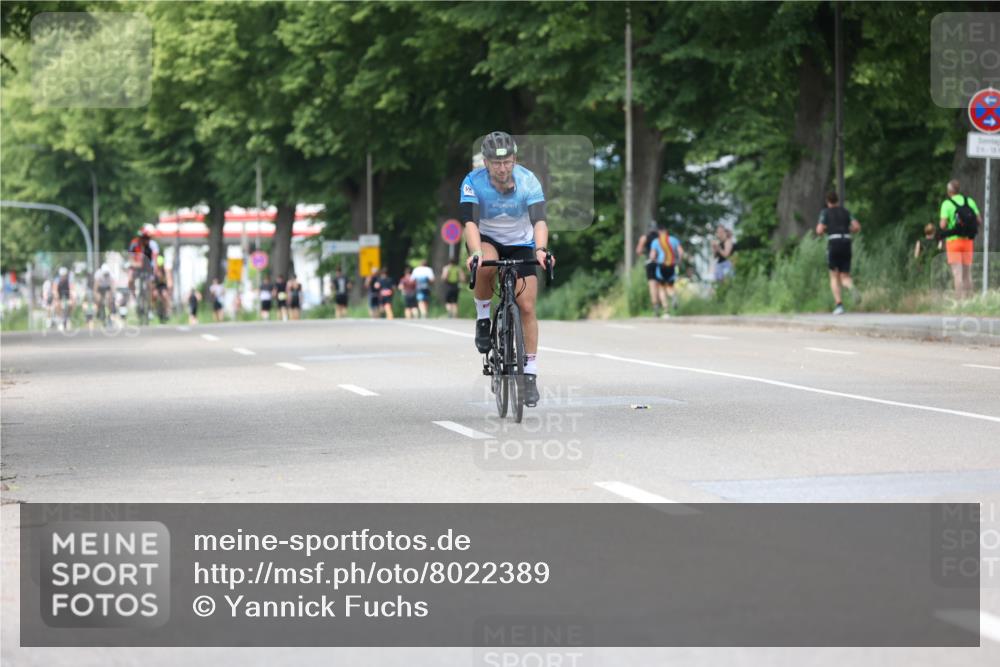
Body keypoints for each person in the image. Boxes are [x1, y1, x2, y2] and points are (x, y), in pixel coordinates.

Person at [462, 130, 554, 408]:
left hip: (521, 242)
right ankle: (482, 317)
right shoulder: (472, 182)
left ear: (514, 159)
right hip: (487, 238)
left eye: (507, 162)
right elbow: (470, 223)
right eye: (496, 163)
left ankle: (529, 374)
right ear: (486, 162)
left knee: (526, 306)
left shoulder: (528, 180)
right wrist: (475, 252)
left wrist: (540, 250)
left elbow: (539, 221)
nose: (502, 168)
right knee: (484, 266)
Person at [816, 191, 861, 315]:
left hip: (834, 242)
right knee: (845, 276)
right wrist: (848, 229)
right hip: (846, 242)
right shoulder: (846, 212)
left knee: (834, 275)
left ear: (827, 201)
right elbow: (857, 227)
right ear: (837, 200)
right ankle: (851, 287)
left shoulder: (825, 213)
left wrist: (826, 228)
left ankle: (839, 305)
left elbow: (819, 230)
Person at [938, 179, 982, 298]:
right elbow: (979, 220)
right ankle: (971, 301)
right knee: (967, 274)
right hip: (968, 241)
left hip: (953, 241)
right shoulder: (969, 201)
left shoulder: (946, 204)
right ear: (959, 190)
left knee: (957, 273)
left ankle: (960, 302)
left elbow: (942, 225)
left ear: (949, 191)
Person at [648, 226, 683, 318]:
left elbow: (652, 255)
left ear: (659, 232)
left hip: (661, 266)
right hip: (672, 266)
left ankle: (666, 310)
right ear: (666, 231)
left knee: (661, 288)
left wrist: (653, 260)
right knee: (670, 286)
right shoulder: (674, 240)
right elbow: (681, 251)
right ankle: (673, 295)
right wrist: (679, 260)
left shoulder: (656, 242)